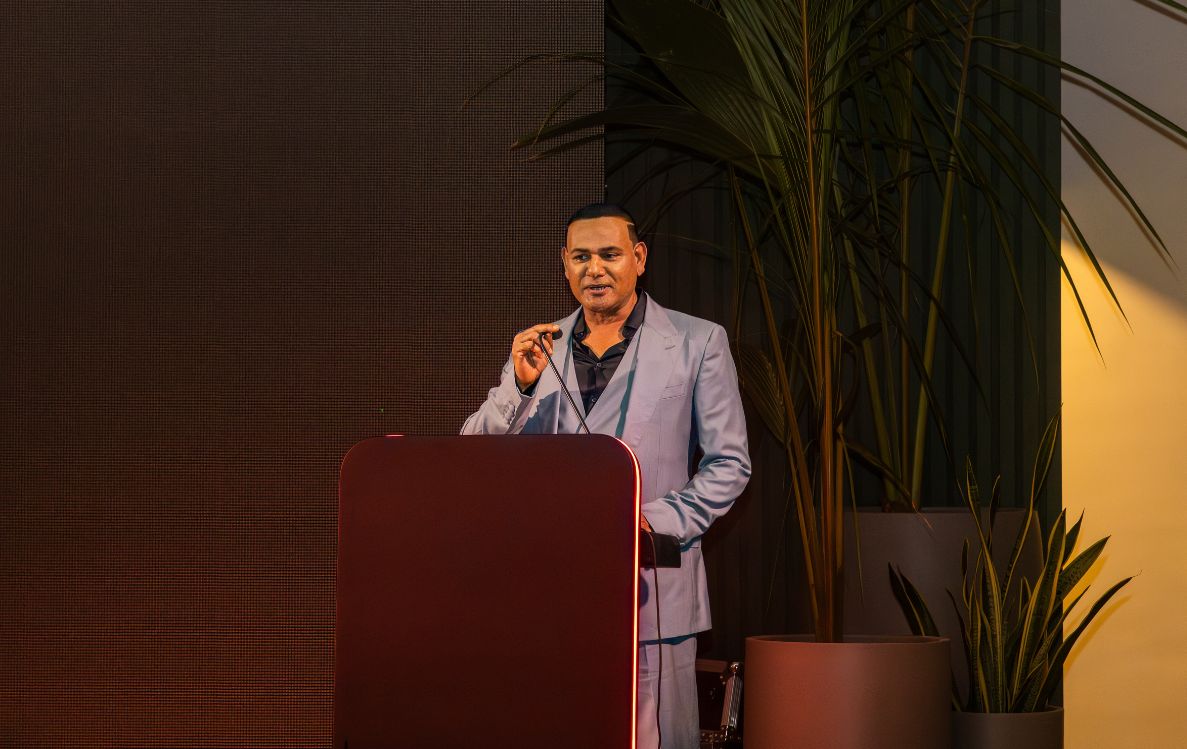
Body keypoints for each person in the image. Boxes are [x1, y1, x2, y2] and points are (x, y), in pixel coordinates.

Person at [460, 203, 750, 748]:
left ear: (639, 258)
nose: (595, 269)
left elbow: (729, 463)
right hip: (552, 593)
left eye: (610, 254)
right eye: (581, 257)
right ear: (564, 264)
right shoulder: (538, 349)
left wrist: (649, 522)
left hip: (653, 589)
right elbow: (473, 457)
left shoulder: (698, 342)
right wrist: (517, 388)